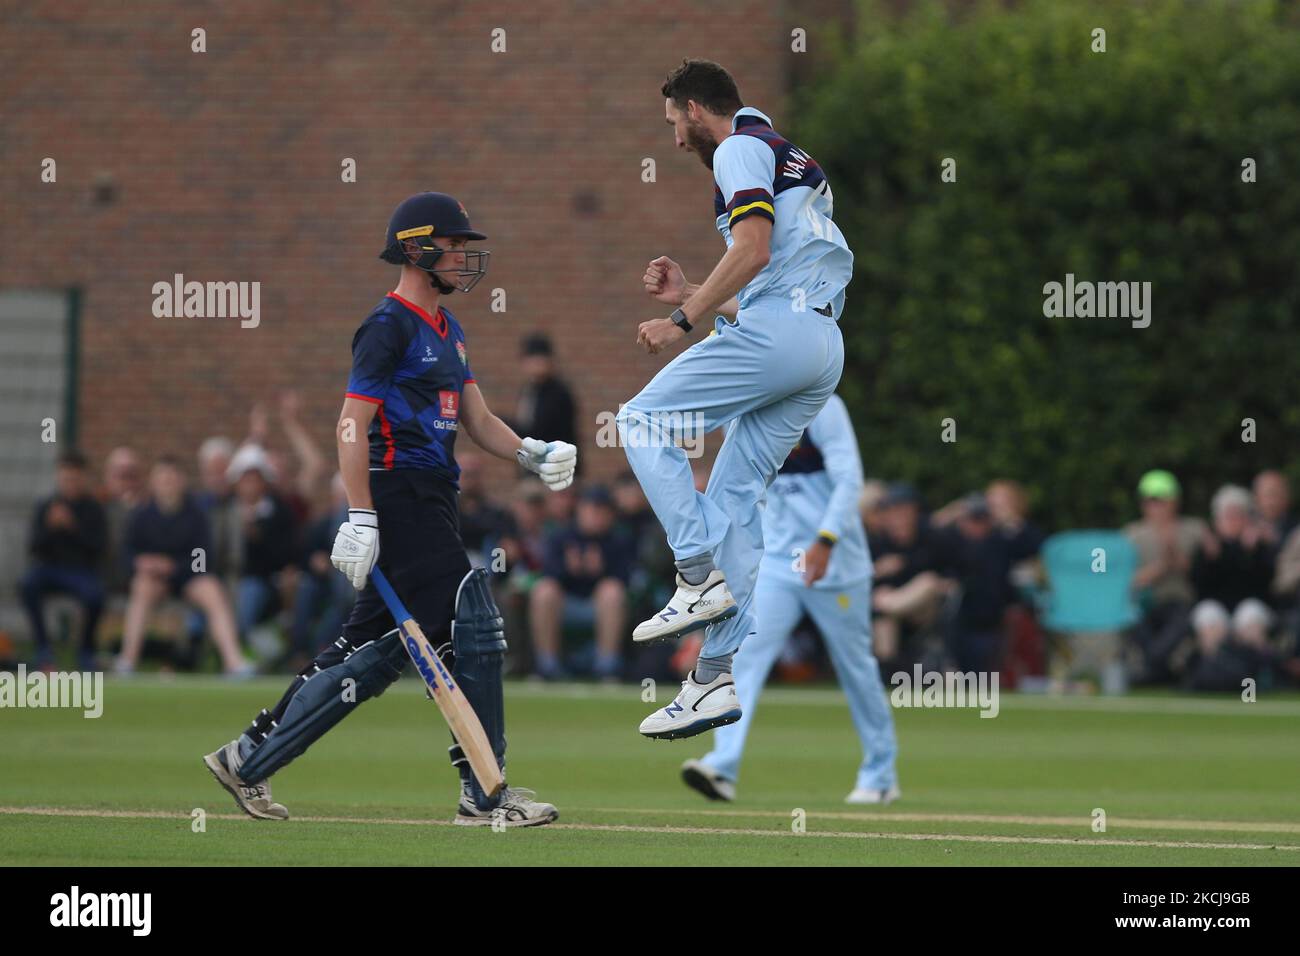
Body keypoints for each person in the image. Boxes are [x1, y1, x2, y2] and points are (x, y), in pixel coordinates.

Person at [202, 192, 575, 827]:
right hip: (398, 490)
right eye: (453, 246)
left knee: (368, 650)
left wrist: (531, 454)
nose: (463, 256)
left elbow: (478, 420)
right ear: (416, 249)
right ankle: (484, 795)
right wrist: (362, 515)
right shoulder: (387, 325)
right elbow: (351, 424)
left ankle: (246, 758)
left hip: (436, 494)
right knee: (471, 624)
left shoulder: (449, 330)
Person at [619, 59, 852, 739]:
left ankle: (694, 575)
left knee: (639, 421)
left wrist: (682, 318)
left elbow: (751, 249)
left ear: (695, 109)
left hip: (785, 330)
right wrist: (698, 291)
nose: (674, 141)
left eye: (673, 124)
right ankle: (713, 678)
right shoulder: (785, 153)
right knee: (736, 506)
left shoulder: (740, 148)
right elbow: (779, 273)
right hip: (818, 344)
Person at [679, 396, 899, 803]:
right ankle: (722, 765)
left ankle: (881, 773)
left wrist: (825, 540)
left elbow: (850, 480)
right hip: (781, 563)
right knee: (742, 653)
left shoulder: (825, 407)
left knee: (856, 668)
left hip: (838, 562)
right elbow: (745, 489)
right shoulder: (743, 413)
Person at [115, 456, 250, 676]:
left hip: (188, 577)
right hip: (153, 581)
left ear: (181, 481)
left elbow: (203, 558)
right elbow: (128, 555)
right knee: (141, 587)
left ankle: (233, 660)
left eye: (172, 478)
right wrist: (143, 563)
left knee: (213, 590)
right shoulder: (141, 516)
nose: (167, 483)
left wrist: (173, 567)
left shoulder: (196, 515)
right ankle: (128, 660)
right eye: (162, 478)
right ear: (153, 482)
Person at [529, 484, 633, 681]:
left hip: (601, 607)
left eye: (602, 511)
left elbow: (626, 581)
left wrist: (600, 571)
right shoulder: (561, 536)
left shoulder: (619, 540)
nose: (596, 516)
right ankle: (547, 665)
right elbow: (547, 574)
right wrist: (569, 570)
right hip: (565, 604)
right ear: (580, 510)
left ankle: (607, 666)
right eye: (591, 509)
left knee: (611, 591)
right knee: (544, 591)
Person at [19, 450, 108, 671]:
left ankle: (85, 652)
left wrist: (72, 526)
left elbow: (98, 548)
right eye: (65, 479)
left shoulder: (93, 509)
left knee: (95, 596)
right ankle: (43, 649)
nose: (70, 484)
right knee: (28, 585)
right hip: (49, 569)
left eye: (74, 479)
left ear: (83, 478)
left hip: (80, 571)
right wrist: (50, 527)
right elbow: (34, 547)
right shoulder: (46, 506)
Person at [1123, 470, 1207, 683]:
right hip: (1143, 602)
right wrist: (1160, 567)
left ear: (1174, 501)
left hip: (1180, 601)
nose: (1156, 507)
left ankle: (1153, 668)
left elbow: (1201, 570)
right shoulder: (1130, 534)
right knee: (1131, 618)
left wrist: (1174, 556)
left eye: (1161, 501)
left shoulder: (1194, 529)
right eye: (1151, 501)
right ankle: (1160, 668)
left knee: (1181, 620)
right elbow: (1126, 580)